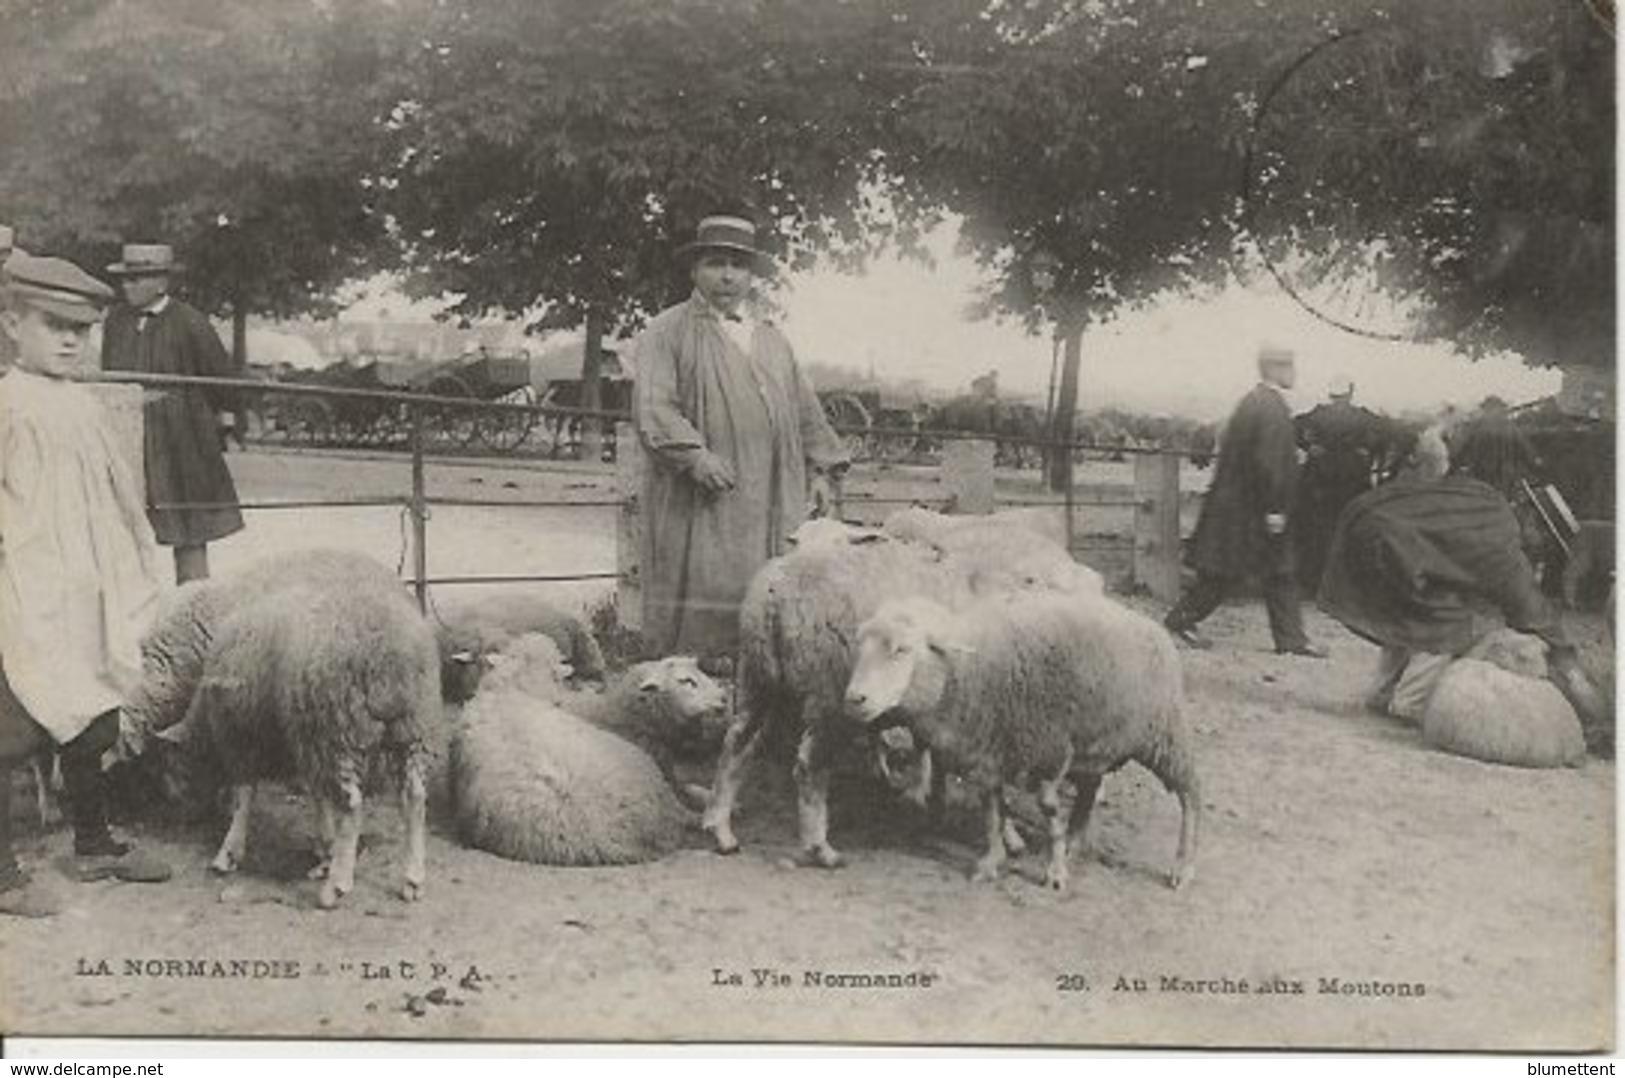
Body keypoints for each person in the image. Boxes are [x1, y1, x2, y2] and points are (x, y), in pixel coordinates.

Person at [0, 253, 172, 917]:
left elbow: (115, 496)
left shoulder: (82, 406)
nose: (72, 339)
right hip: (23, 582)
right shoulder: (9, 404)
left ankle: (94, 844)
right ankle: (3, 871)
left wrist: (130, 560)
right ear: (14, 324)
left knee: (92, 708)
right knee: (12, 722)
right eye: (54, 325)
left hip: (81, 582)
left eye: (83, 328)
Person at [633, 214, 850, 664]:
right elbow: (654, 405)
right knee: (707, 595)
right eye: (715, 263)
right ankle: (695, 688)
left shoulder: (771, 339)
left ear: (752, 276)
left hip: (775, 495)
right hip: (706, 498)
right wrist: (694, 456)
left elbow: (805, 409)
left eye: (739, 265)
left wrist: (822, 471)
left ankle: (762, 693)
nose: (728, 275)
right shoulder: (667, 331)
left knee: (771, 596)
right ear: (694, 270)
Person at [1317, 436, 1587, 722]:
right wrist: (1567, 660)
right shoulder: (1503, 541)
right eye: (1544, 536)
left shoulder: (1487, 497)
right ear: (1534, 518)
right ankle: (1410, 702)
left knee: (1418, 602)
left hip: (1369, 530)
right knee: (1447, 618)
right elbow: (1531, 610)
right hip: (1385, 546)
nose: (1542, 543)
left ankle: (1381, 692)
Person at [1163, 344, 1328, 657]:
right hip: (1254, 509)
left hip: (1241, 506)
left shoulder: (1253, 402)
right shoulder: (1271, 407)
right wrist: (1275, 507)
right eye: (1290, 368)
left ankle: (1291, 639)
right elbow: (1268, 461)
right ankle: (1179, 621)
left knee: (1275, 570)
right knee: (1228, 573)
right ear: (1276, 370)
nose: (1294, 374)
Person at [100, 242, 244, 584]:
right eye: (125, 279)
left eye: (137, 279)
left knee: (189, 532)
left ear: (162, 282)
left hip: (181, 441)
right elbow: (108, 376)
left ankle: (191, 609)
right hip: (128, 436)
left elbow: (220, 382)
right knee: (123, 530)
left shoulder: (190, 323)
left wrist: (211, 417)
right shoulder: (117, 322)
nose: (128, 286)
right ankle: (132, 618)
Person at [1292, 374, 1391, 588]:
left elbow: (1292, 427)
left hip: (1320, 481)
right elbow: (1387, 432)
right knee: (1348, 528)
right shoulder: (1361, 417)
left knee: (1317, 529)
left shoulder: (1318, 415)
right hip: (1350, 480)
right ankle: (1344, 581)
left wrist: (1309, 447)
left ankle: (1313, 580)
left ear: (1332, 395)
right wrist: (1367, 450)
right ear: (1350, 394)